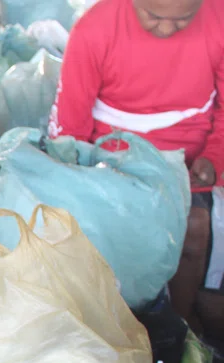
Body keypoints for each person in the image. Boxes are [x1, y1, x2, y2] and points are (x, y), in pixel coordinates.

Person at [50, 0, 224, 334]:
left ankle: (179, 330)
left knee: (193, 229)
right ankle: (112, 328)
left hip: (188, 162)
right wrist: (80, 174)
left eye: (183, 18)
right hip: (112, 157)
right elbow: (71, 126)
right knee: (106, 238)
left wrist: (213, 159)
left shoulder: (218, 20)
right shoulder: (93, 29)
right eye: (154, 16)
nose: (167, 28)